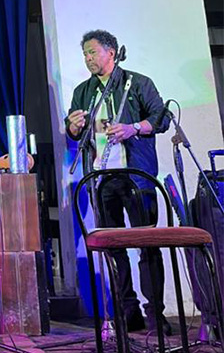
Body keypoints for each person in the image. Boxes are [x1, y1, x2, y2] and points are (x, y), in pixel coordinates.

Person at [65, 29, 171, 334]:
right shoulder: (84, 91)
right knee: (113, 248)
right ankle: (128, 311)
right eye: (85, 54)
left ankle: (156, 314)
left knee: (147, 247)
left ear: (111, 52)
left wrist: (133, 127)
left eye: (93, 52)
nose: (88, 59)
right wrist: (73, 127)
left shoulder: (137, 83)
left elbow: (161, 118)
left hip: (136, 177)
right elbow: (73, 132)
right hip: (101, 178)